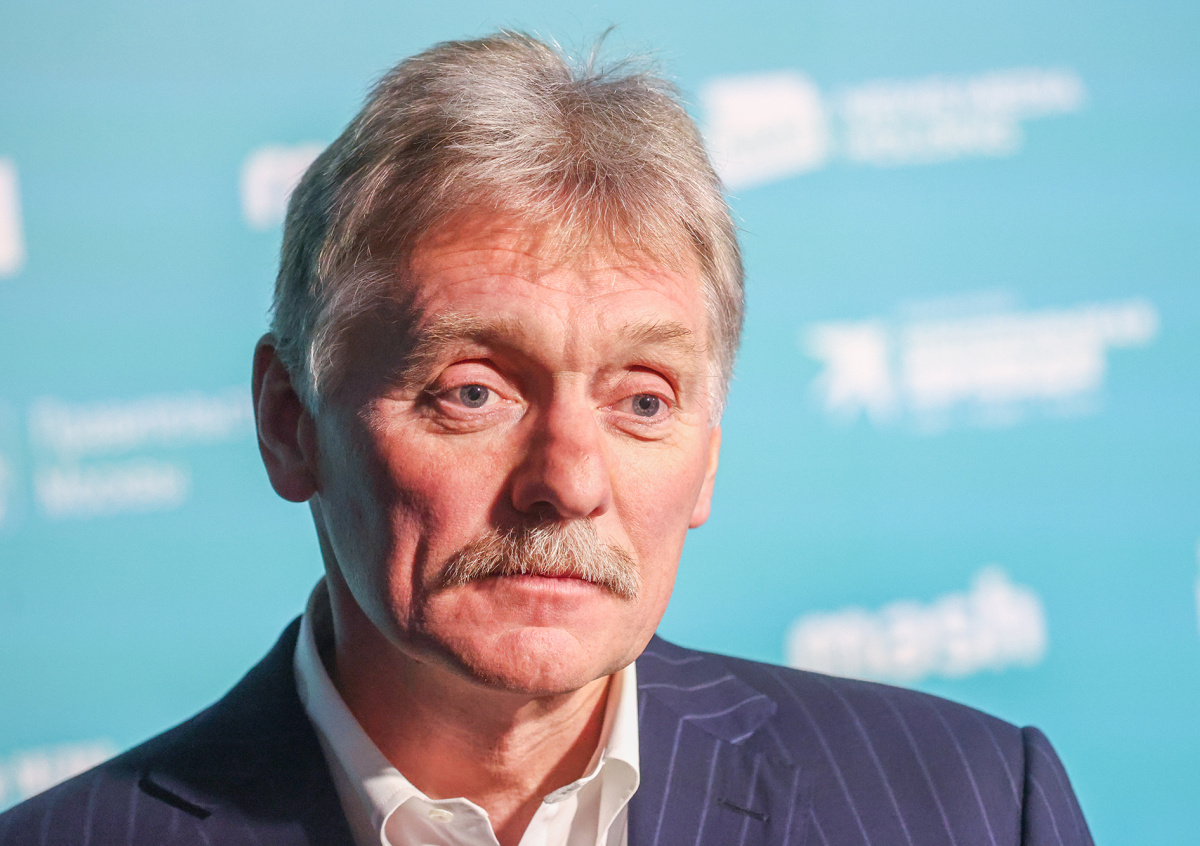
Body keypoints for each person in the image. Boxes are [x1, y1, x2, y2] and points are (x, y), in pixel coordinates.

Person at [0, 31, 1093, 846]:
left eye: (644, 402)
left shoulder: (973, 806)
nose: (567, 482)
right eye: (474, 392)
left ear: (709, 457)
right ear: (290, 423)